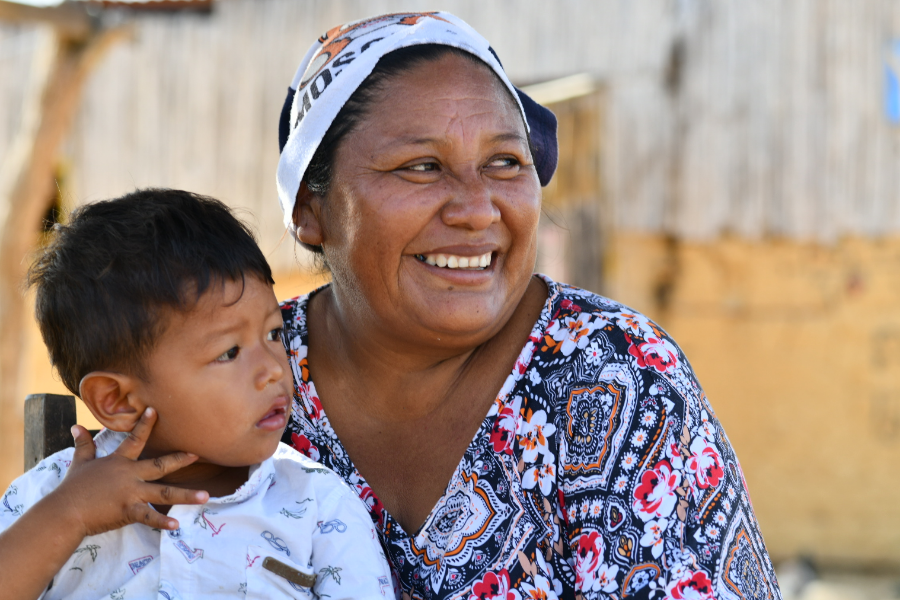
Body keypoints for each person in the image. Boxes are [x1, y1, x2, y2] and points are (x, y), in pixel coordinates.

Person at [275, 12, 782, 600]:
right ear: (312, 209)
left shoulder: (616, 378)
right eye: (420, 167)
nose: (478, 209)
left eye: (505, 162)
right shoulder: (233, 373)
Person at [0, 190, 392, 600]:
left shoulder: (317, 506)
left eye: (274, 334)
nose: (275, 369)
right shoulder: (48, 495)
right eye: (229, 353)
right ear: (118, 401)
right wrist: (72, 513)